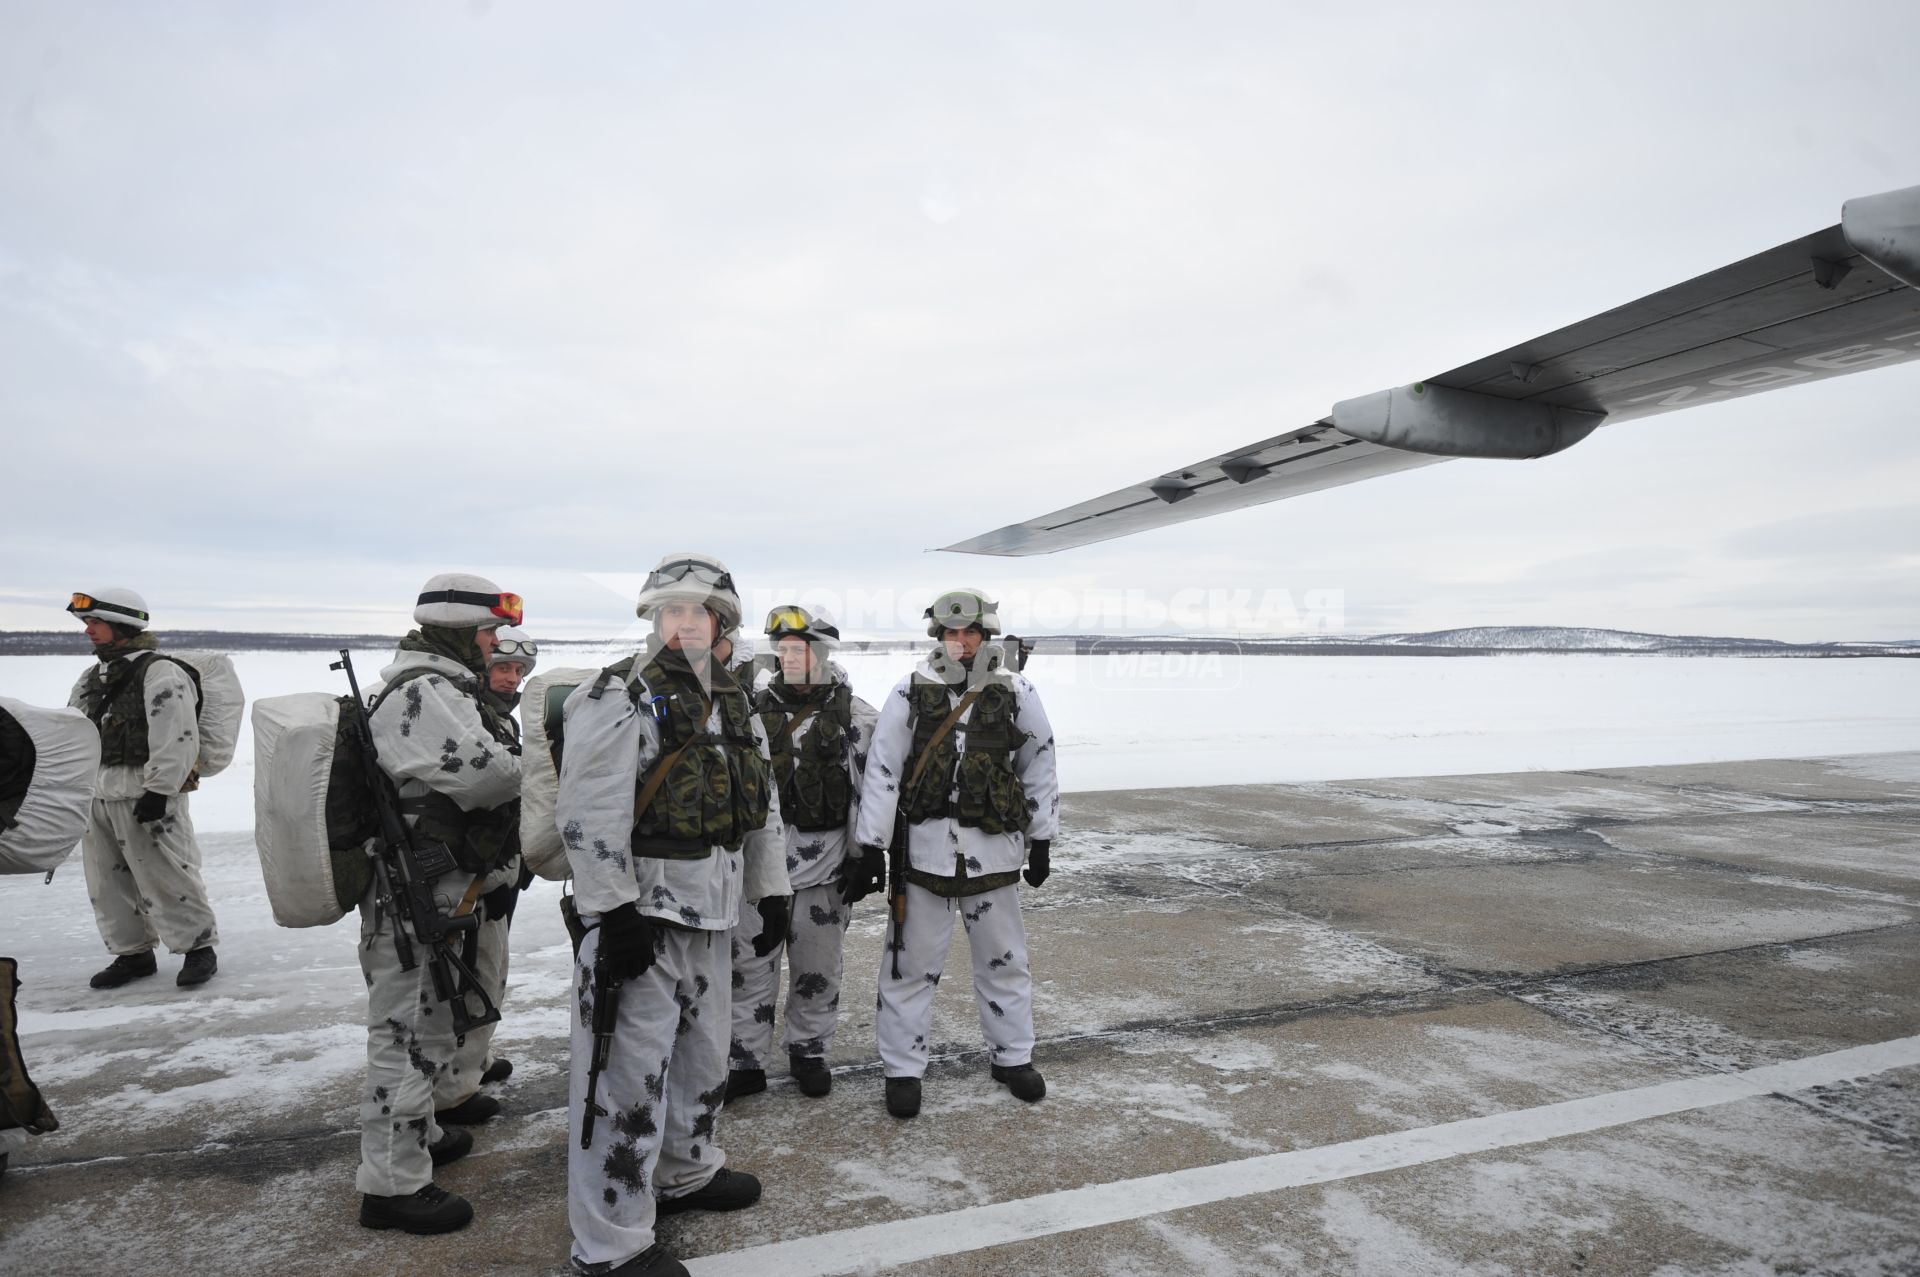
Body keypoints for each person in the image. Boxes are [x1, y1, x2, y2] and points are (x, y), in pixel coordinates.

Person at [556, 551, 788, 1277]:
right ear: (653, 620)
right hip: (643, 915)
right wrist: (611, 911)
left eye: (699, 613)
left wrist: (771, 887)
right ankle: (609, 1244)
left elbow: (762, 804)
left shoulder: (735, 699)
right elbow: (585, 811)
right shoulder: (617, 691)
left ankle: (685, 1169)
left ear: (723, 624)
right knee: (622, 1078)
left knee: (703, 1055)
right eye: (671, 612)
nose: (685, 624)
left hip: (713, 909)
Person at [356, 574, 524, 1234]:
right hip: (416, 892)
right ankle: (392, 1184)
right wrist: (536, 754)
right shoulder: (424, 690)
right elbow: (492, 773)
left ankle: (422, 1127)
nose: (494, 645)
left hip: (441, 882)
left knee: (432, 1018)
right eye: (487, 632)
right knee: (409, 1030)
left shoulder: (442, 685)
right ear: (457, 627)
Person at [851, 588, 1059, 1119]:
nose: (961, 642)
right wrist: (873, 846)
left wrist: (1041, 838)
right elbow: (883, 769)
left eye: (970, 633)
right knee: (908, 967)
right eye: (951, 633)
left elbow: (1038, 760)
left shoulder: (1016, 689)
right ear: (938, 637)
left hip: (993, 855)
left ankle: (1013, 1057)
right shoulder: (909, 692)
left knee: (1005, 962)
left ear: (985, 636)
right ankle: (902, 1069)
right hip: (922, 859)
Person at [726, 604, 877, 1101]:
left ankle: (808, 1051)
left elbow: (870, 791)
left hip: (825, 868)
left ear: (822, 653)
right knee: (749, 965)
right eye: (783, 649)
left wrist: (864, 856)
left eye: (800, 649)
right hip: (758, 870)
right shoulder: (746, 707)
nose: (790, 658)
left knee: (818, 968)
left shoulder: (855, 715)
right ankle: (745, 1060)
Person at [63, 589, 220, 990]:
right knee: (106, 881)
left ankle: (198, 949)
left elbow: (178, 736)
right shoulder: (92, 677)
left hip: (144, 791)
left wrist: (159, 791)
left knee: (168, 874)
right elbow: (74, 731)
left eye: (95, 623)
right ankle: (132, 954)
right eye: (86, 623)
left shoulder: (161, 673)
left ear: (124, 626)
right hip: (97, 792)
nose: (89, 631)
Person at [430, 625, 537, 1126]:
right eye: (502, 668)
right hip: (468, 872)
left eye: (518, 671)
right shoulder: (469, 722)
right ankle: (453, 1088)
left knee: (490, 968)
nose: (511, 679)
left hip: (497, 869)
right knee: (470, 973)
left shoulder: (500, 722)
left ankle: (474, 1060)